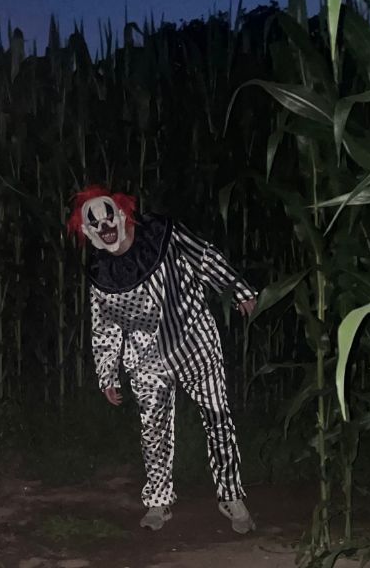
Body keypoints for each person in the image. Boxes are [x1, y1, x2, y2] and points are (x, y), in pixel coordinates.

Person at [67, 185, 258, 534]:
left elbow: (204, 257)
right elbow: (104, 325)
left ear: (121, 214)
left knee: (217, 417)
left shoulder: (161, 234)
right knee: (153, 430)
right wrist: (107, 373)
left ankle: (231, 495)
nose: (104, 225)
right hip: (145, 357)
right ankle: (158, 501)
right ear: (87, 231)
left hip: (193, 337)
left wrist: (238, 290)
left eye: (108, 216)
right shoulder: (101, 271)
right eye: (94, 222)